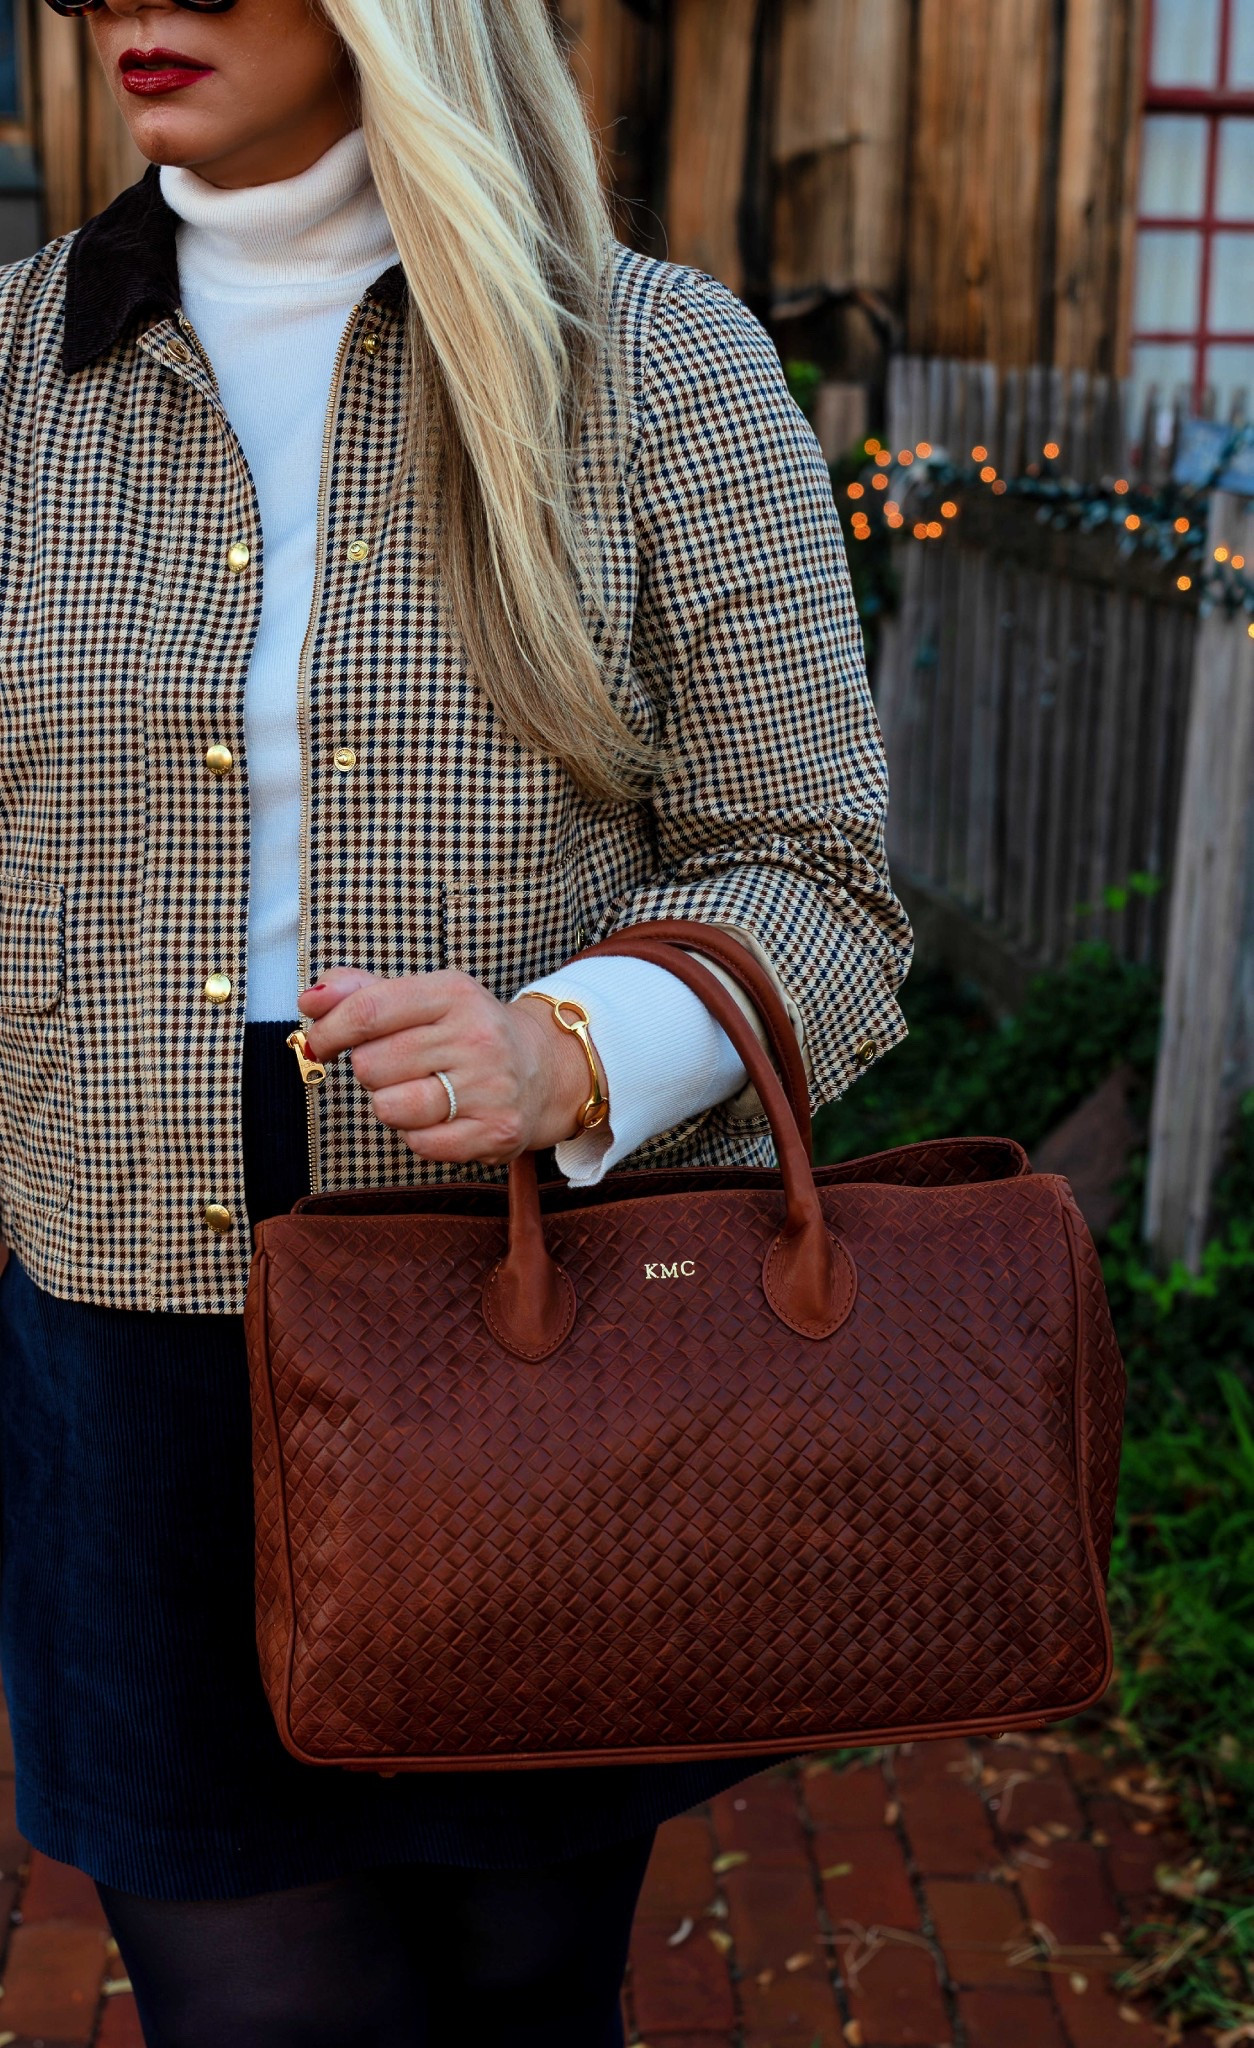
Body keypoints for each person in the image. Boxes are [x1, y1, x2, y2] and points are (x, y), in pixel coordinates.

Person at [0, 0, 912, 2039]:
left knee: (517, 1987)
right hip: (119, 1349)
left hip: (521, 1331)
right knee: (243, 2004)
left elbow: (821, 880)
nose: (135, 9)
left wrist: (567, 1049)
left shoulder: (661, 367)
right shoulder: (6, 373)